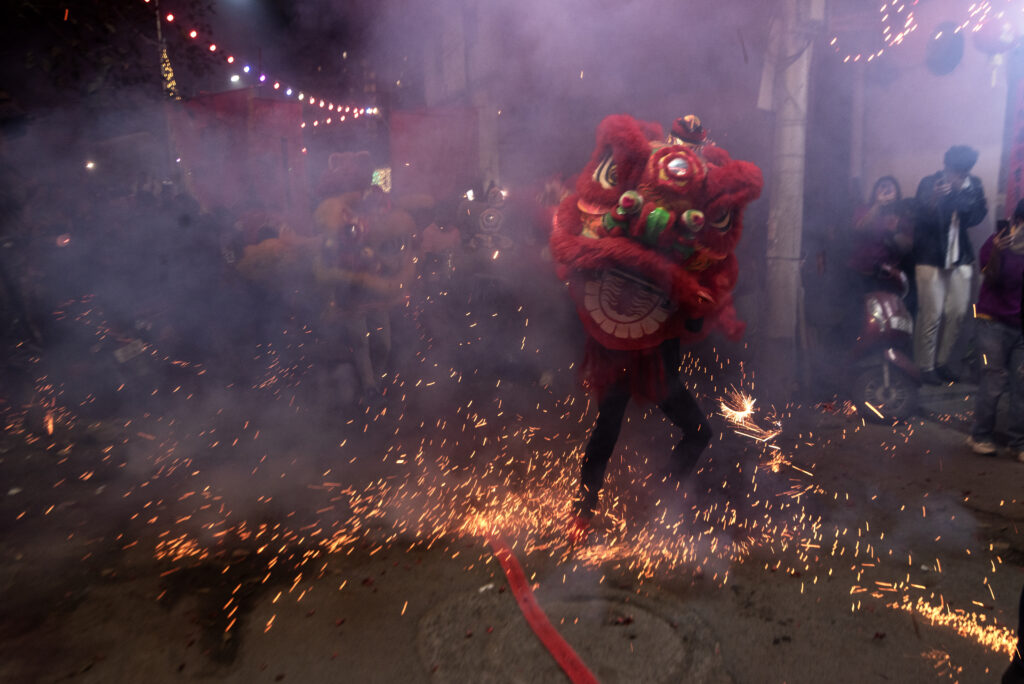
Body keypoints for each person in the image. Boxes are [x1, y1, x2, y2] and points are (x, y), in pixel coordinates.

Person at [912, 145, 988, 384]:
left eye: (965, 172)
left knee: (957, 312)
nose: (961, 176)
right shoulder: (928, 182)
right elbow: (921, 215)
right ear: (946, 166)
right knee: (931, 314)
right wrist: (936, 197)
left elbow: (976, 216)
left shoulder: (973, 185)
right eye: (958, 171)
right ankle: (924, 367)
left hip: (961, 257)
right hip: (930, 257)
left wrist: (957, 194)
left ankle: (942, 362)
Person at [965, 201, 1024, 460]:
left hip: (1020, 325)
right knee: (993, 381)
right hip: (992, 322)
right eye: (1018, 224)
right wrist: (998, 253)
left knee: (1022, 385)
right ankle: (980, 435)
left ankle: (1018, 442)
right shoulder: (995, 243)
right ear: (1015, 222)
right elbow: (989, 278)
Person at [849, 175, 914, 296]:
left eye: (890, 189)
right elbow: (859, 228)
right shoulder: (865, 209)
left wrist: (894, 232)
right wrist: (878, 205)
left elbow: (907, 247)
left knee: (887, 310)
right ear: (875, 192)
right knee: (861, 310)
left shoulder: (901, 215)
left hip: (889, 274)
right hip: (862, 271)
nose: (886, 191)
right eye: (882, 187)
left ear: (897, 194)